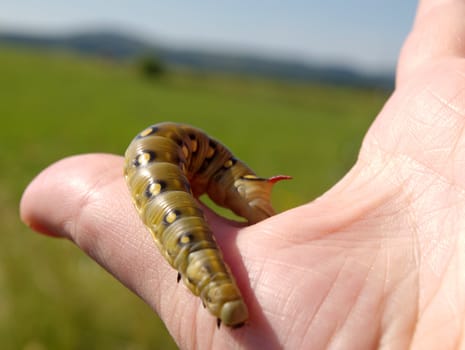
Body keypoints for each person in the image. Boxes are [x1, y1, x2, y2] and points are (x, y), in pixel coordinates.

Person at [20, 1, 465, 348]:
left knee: (183, 228)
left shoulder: (177, 159)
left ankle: (213, 283)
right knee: (188, 230)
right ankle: (214, 283)